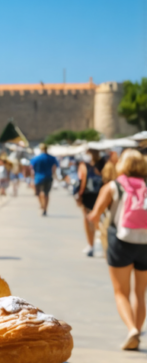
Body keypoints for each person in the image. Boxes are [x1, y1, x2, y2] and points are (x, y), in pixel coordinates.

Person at [87, 149, 147, 350]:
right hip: (145, 242)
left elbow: (95, 215)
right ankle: (137, 331)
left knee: (121, 292)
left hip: (120, 241)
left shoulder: (113, 186)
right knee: (140, 292)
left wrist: (98, 228)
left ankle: (132, 330)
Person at [76, 149, 105, 256]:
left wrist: (79, 195)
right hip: (101, 194)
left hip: (89, 195)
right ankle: (98, 245)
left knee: (89, 220)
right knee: (100, 220)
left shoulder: (84, 165)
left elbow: (81, 181)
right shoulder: (105, 164)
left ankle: (92, 245)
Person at [30, 143, 59, 216]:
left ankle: (42, 206)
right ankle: (45, 209)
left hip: (38, 178)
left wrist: (32, 179)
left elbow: (32, 170)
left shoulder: (36, 158)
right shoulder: (52, 158)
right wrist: (54, 176)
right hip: (48, 177)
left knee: (39, 193)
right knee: (46, 193)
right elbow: (54, 168)